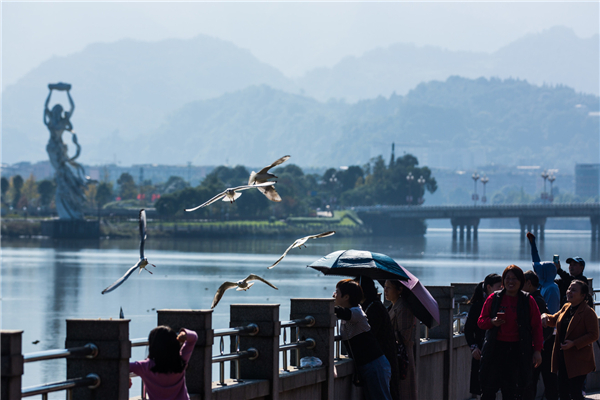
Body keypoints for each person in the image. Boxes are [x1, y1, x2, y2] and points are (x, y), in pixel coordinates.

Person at [477, 265, 543, 400]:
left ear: (521, 282)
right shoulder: (493, 299)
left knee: (513, 391)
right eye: (508, 278)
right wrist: (492, 322)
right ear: (503, 281)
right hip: (495, 349)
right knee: (488, 389)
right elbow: (481, 322)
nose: (511, 282)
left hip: (518, 350)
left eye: (515, 279)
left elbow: (537, 327)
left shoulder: (528, 300)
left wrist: (537, 351)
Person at [333, 279, 392, 400]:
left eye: (336, 292)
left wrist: (327, 306)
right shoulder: (351, 313)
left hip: (375, 366)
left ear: (346, 297)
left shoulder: (357, 313)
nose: (333, 295)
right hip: (368, 366)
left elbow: (342, 313)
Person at [542, 280, 599, 400]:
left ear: (583, 296)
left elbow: (594, 335)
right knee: (562, 392)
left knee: (575, 393)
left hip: (579, 360)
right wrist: (545, 316)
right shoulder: (566, 307)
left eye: (573, 290)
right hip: (563, 357)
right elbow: (554, 320)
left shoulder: (588, 312)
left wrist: (574, 343)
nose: (569, 292)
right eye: (569, 289)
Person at [358, 276, 401, 400]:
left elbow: (368, 336)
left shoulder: (374, 308)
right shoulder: (373, 305)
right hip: (382, 361)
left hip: (379, 363)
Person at [130, 325, 198, 400]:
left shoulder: (144, 366)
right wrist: (184, 334)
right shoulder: (180, 362)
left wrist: (126, 376)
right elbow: (194, 338)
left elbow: (122, 366)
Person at [464, 273, 502, 398]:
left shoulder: (503, 304)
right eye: (499, 286)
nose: (502, 289)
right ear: (489, 288)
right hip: (481, 352)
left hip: (500, 352)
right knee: (485, 390)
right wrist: (474, 347)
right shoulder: (478, 306)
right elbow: (468, 329)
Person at [522, 270, 558, 400]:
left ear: (528, 283)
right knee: (548, 379)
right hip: (544, 345)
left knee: (532, 381)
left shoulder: (534, 301)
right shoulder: (539, 298)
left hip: (539, 347)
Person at [384, 279, 418, 400]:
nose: (385, 290)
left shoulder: (403, 307)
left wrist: (385, 334)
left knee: (404, 391)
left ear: (399, 290)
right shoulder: (393, 306)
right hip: (394, 353)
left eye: (389, 287)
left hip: (402, 355)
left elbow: (404, 335)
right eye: (384, 286)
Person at [527, 232, 560, 313]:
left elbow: (552, 311)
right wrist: (533, 244)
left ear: (544, 273)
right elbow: (536, 261)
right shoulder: (542, 285)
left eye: (539, 271)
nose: (537, 273)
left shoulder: (552, 289)